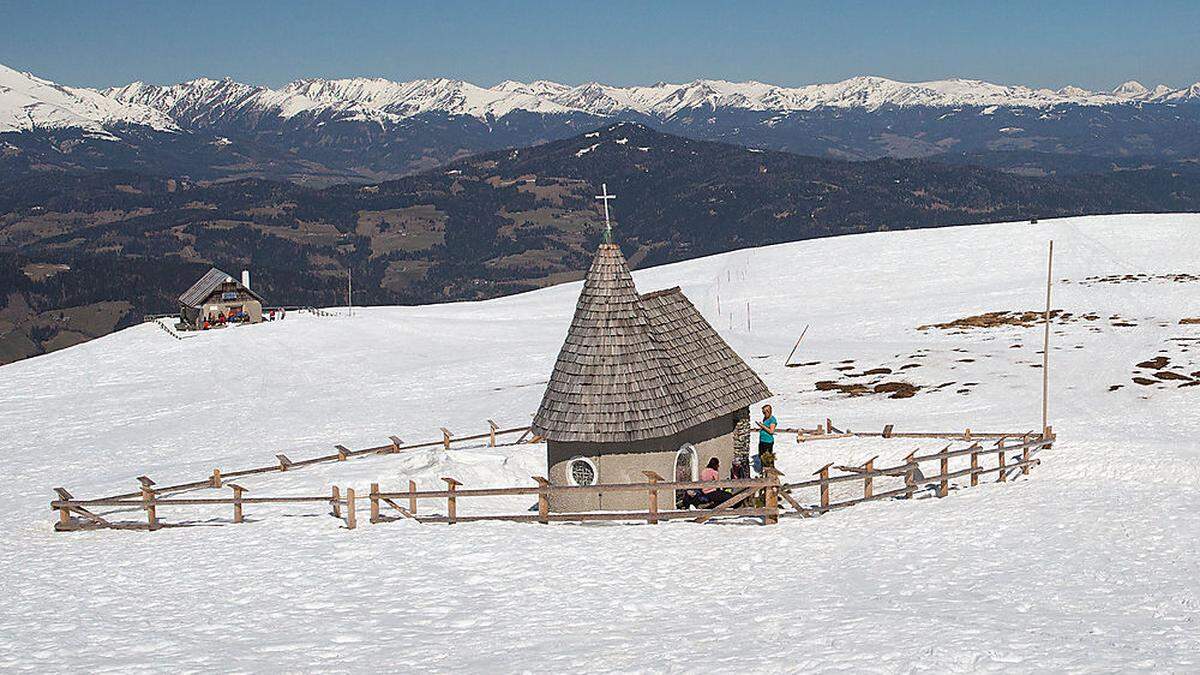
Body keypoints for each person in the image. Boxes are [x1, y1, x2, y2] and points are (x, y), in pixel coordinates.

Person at [755, 404, 778, 473]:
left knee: (768, 458)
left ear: (769, 411)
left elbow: (771, 431)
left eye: (764, 412)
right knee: (761, 456)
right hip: (762, 440)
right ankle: (764, 470)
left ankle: (770, 472)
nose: (764, 414)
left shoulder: (772, 420)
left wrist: (762, 426)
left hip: (768, 441)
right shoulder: (765, 418)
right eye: (763, 412)